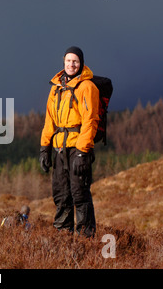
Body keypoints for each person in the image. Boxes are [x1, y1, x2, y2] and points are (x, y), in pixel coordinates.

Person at [39, 46, 99, 238]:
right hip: (59, 148)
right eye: (68, 61)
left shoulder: (87, 87)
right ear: (63, 61)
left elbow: (91, 120)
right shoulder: (56, 88)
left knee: (79, 195)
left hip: (78, 148)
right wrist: (44, 148)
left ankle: (86, 241)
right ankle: (62, 241)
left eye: (75, 61)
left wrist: (83, 151)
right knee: (61, 196)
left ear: (81, 63)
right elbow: (49, 120)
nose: (72, 64)